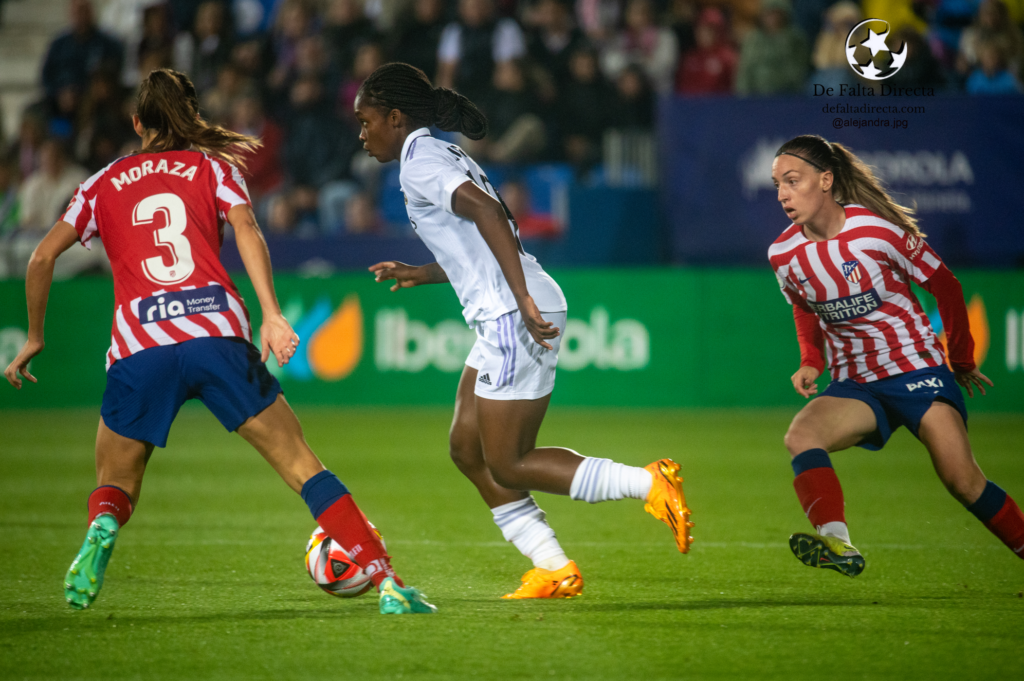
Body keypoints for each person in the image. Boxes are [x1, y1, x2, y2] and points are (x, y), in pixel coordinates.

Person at [2, 69, 435, 616]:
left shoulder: (101, 182)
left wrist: (36, 336)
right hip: (215, 334)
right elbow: (249, 229)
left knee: (116, 482)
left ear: (137, 123)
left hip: (141, 344)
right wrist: (272, 315)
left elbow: (40, 258)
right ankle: (388, 582)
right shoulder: (213, 167)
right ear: (192, 118)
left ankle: (102, 526)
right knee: (303, 466)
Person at [356, 62, 693, 599]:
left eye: (366, 120)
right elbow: (478, 237)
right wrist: (424, 272)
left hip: (512, 313)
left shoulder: (420, 162)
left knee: (509, 461)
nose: (362, 133)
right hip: (504, 312)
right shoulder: (438, 153)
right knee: (467, 448)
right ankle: (552, 566)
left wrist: (521, 298)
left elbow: (489, 213)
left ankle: (648, 482)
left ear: (394, 117)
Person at [767, 134, 1024, 577]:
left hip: (915, 369)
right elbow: (803, 305)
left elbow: (945, 284)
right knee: (801, 435)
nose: (783, 194)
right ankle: (838, 543)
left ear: (826, 180)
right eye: (777, 185)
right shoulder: (783, 254)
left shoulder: (876, 231)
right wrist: (812, 358)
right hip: (856, 384)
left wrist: (960, 359)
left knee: (963, 482)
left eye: (793, 181)